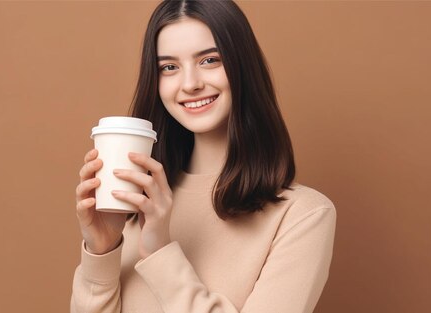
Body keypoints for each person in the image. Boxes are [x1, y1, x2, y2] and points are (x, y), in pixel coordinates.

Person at [71, 1, 336, 312]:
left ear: (242, 67)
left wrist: (160, 253)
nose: (190, 84)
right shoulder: (137, 202)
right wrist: (101, 251)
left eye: (210, 60)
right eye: (169, 67)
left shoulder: (302, 216)